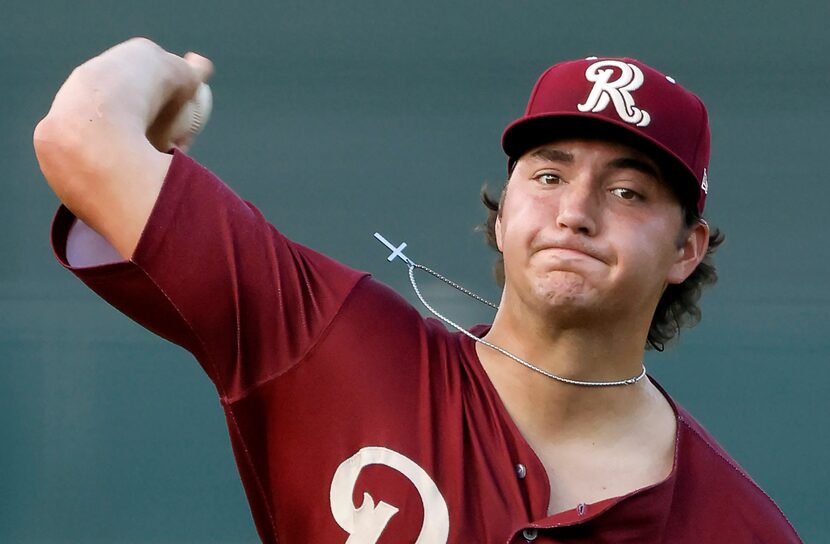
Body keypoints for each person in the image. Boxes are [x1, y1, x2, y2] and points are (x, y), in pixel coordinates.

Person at [33, 38, 801, 543]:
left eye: (629, 192)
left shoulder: (740, 529)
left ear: (685, 250)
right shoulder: (333, 344)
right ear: (502, 216)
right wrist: (175, 68)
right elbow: (81, 133)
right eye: (547, 174)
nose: (575, 211)